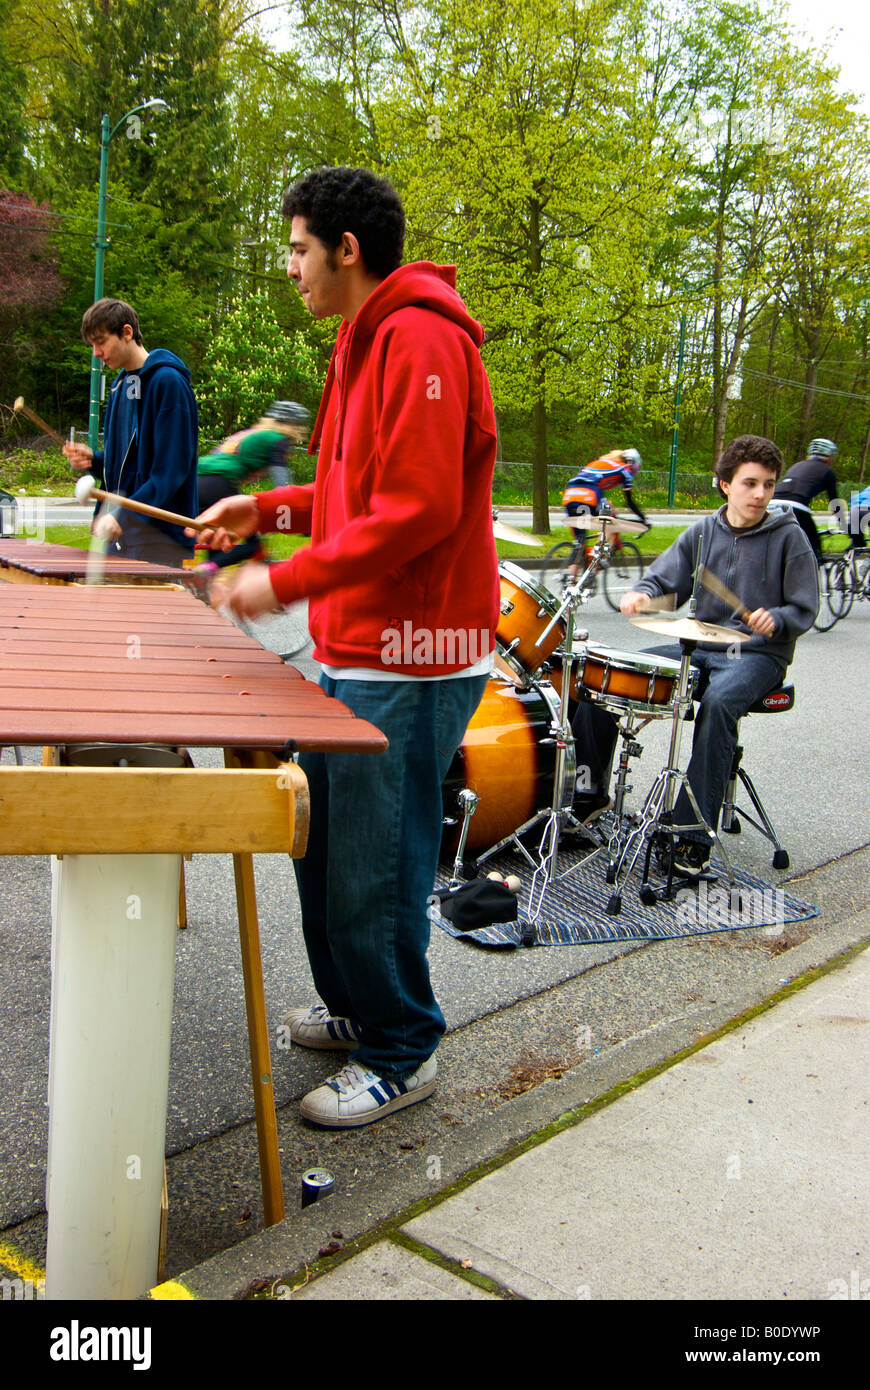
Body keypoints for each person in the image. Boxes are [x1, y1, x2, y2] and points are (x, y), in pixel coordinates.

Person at [193, 166, 500, 1128]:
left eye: (296, 248)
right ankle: (357, 1008)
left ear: (347, 249)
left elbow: (418, 510)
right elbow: (356, 490)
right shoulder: (360, 341)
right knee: (320, 848)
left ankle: (403, 1046)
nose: (290, 267)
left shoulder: (420, 339)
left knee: (375, 866)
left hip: (415, 654)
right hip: (359, 647)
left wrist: (279, 582)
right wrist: (270, 505)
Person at [571, 435, 818, 878]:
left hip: (758, 655)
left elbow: (805, 608)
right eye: (750, 483)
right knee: (607, 674)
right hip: (702, 646)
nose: (761, 494)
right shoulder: (703, 532)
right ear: (725, 484)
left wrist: (777, 619)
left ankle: (690, 834)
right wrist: (641, 593)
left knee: (720, 704)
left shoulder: (789, 537)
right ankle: (589, 797)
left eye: (768, 484)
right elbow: (662, 579)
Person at [63, 298, 198, 566]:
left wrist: (121, 516)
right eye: (92, 345)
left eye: (101, 342)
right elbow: (128, 468)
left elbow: (170, 473)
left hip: (157, 540)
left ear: (127, 333)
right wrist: (95, 461)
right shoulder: (120, 385)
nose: (96, 353)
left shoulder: (168, 383)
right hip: (120, 536)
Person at [195, 401, 310, 571]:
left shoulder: (250, 434)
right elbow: (282, 484)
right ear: (293, 425)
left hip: (197, 482)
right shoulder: (277, 439)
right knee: (253, 546)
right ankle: (205, 570)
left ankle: (205, 576)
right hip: (220, 482)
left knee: (218, 541)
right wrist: (293, 513)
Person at [771, 438, 839, 561]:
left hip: (772, 503)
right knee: (814, 548)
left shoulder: (797, 465)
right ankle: (814, 571)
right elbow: (834, 502)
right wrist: (845, 525)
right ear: (828, 456)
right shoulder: (828, 471)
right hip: (797, 506)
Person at [562, 447, 648, 538]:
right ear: (632, 463)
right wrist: (643, 519)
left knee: (580, 540)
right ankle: (599, 550)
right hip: (590, 494)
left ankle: (579, 548)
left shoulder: (600, 463)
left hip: (569, 494)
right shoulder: (625, 470)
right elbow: (629, 502)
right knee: (611, 520)